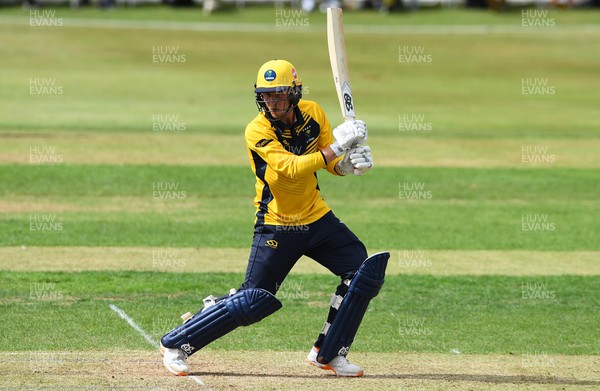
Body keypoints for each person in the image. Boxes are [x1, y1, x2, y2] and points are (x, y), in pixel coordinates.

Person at [160, 59, 389, 378]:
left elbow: (326, 162)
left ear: (294, 92)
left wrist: (348, 165)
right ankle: (176, 344)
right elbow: (292, 168)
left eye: (279, 94)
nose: (272, 102)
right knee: (253, 301)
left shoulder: (313, 113)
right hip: (278, 224)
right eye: (266, 96)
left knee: (362, 273)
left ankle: (329, 353)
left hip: (317, 217)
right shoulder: (258, 130)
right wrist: (339, 146)